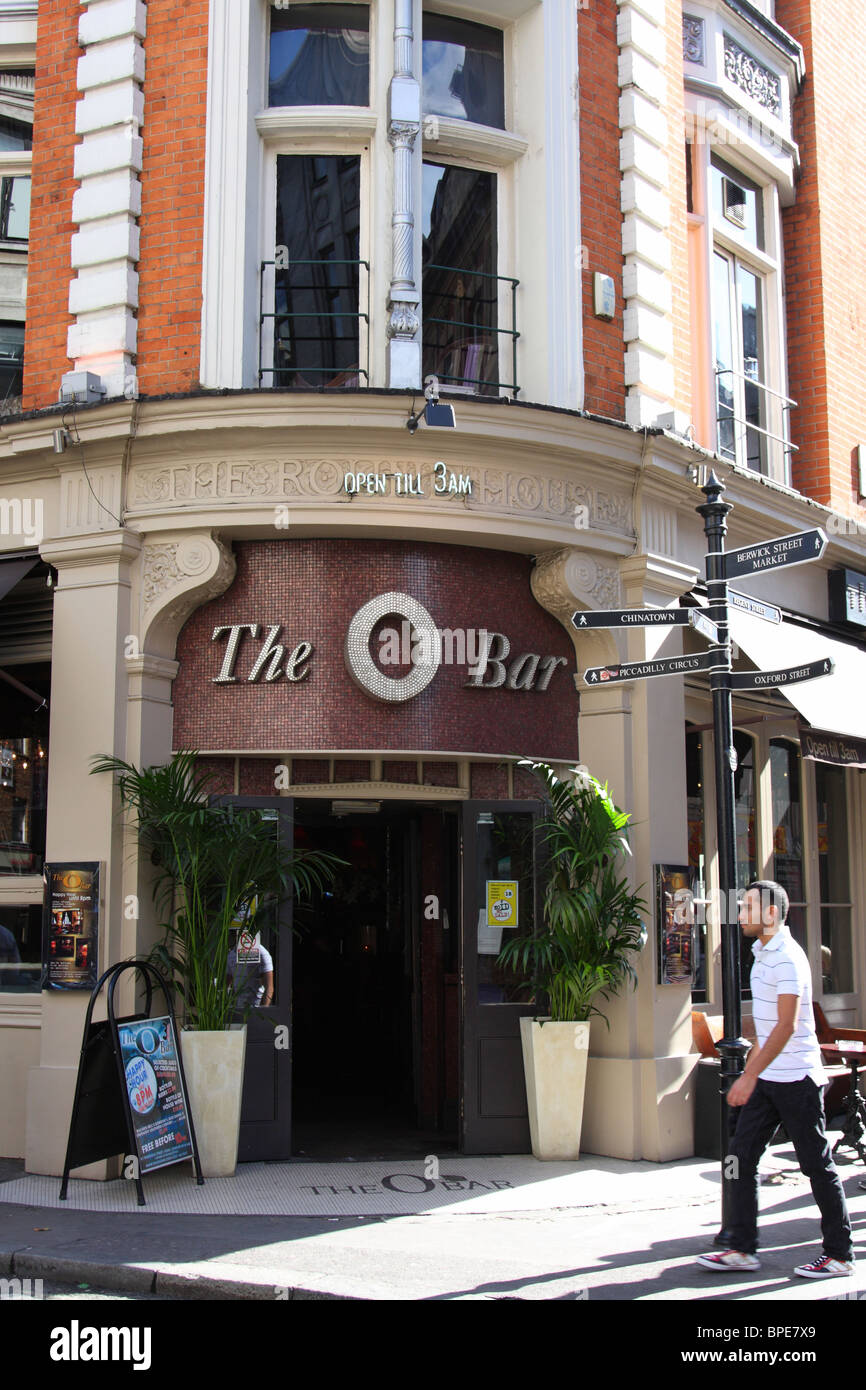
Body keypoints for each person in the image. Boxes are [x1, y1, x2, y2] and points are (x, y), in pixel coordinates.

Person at [696, 880, 855, 1279]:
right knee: (740, 1157)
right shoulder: (763, 952)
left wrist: (747, 1074)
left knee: (816, 1166)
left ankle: (840, 1255)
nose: (740, 914)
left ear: (771, 913)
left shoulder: (787, 958)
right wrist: (757, 1071)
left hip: (797, 1078)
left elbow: (786, 1026)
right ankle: (742, 1249)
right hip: (769, 1077)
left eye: (748, 906)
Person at [227, 931, 274, 1010]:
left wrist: (264, 1010)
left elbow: (269, 987)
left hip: (257, 1007)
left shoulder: (262, 953)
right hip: (238, 1008)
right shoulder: (231, 955)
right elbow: (226, 983)